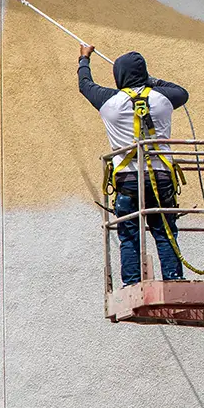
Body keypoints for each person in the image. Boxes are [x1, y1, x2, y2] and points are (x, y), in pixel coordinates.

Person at [78, 44, 189, 284]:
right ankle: (173, 279)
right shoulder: (163, 99)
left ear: (119, 76)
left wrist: (84, 59)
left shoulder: (109, 101)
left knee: (129, 235)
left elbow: (85, 85)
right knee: (165, 232)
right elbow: (182, 92)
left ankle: (132, 282)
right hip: (161, 178)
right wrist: (151, 81)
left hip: (128, 180)